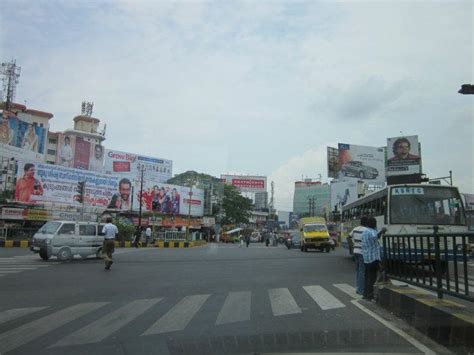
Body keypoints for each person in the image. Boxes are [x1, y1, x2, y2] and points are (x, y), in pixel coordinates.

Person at [361, 217, 381, 300]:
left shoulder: (364, 231)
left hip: (366, 258)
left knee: (367, 277)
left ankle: (365, 294)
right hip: (373, 258)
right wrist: (382, 231)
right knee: (372, 277)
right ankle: (370, 295)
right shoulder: (372, 231)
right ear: (374, 224)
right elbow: (375, 237)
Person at [348, 216, 368, 296]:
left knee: (358, 270)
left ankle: (358, 287)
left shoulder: (355, 229)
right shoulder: (366, 230)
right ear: (366, 223)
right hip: (362, 252)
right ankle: (361, 290)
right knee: (362, 271)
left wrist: (352, 245)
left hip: (355, 251)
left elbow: (348, 237)